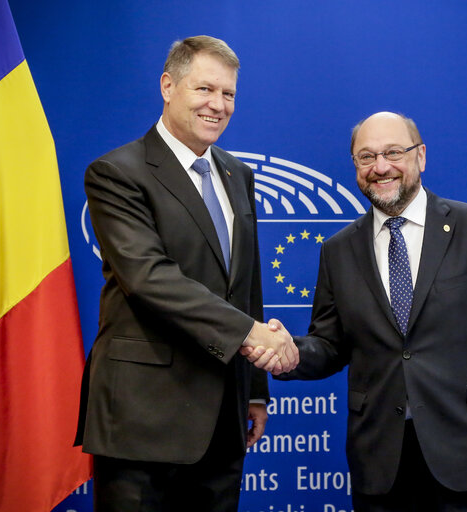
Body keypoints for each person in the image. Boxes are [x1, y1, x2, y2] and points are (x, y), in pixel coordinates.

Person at [245, 111, 467, 511]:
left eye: (393, 152)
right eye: (366, 157)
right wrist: (287, 353)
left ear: (421, 156)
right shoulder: (339, 250)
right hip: (382, 464)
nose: (380, 167)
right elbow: (329, 344)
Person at [75, 35, 297, 512]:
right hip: (143, 417)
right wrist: (251, 334)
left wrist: (254, 390)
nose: (218, 105)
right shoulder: (117, 172)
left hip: (223, 415)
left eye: (229, 94)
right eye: (205, 90)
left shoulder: (238, 174)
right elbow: (150, 277)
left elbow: (246, 284)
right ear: (168, 86)